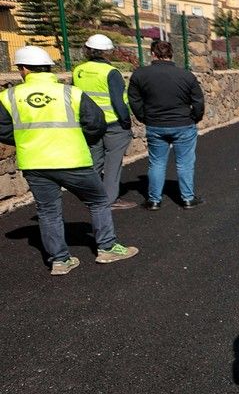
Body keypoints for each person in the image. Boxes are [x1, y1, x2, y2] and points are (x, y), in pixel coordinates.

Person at [0, 45, 139, 274]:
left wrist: (28, 139)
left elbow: (3, 130)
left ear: (23, 69)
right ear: (48, 69)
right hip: (73, 159)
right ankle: (107, 247)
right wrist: (78, 138)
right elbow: (96, 123)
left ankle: (60, 261)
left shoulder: (8, 97)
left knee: (47, 211)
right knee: (98, 201)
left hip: (35, 162)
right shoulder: (70, 93)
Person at [129, 39, 205, 210]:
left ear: (152, 54)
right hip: (183, 124)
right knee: (185, 163)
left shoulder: (140, 75)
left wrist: (144, 117)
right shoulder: (186, 75)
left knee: (156, 162)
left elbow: (134, 100)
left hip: (155, 124)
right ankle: (187, 198)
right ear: (171, 54)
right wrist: (195, 117)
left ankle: (154, 200)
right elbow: (198, 101)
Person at [73, 33, 134, 209]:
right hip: (112, 123)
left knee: (94, 161)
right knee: (113, 162)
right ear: (108, 52)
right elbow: (118, 101)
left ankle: (92, 196)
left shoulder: (79, 70)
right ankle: (109, 200)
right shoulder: (111, 72)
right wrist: (126, 121)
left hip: (89, 123)